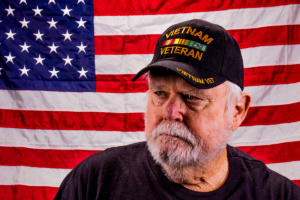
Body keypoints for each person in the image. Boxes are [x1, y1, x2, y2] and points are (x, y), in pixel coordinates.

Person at [54, 19, 300, 199]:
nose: (170, 113)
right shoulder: (95, 181)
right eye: (159, 93)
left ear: (237, 111)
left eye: (192, 97)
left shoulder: (277, 195)